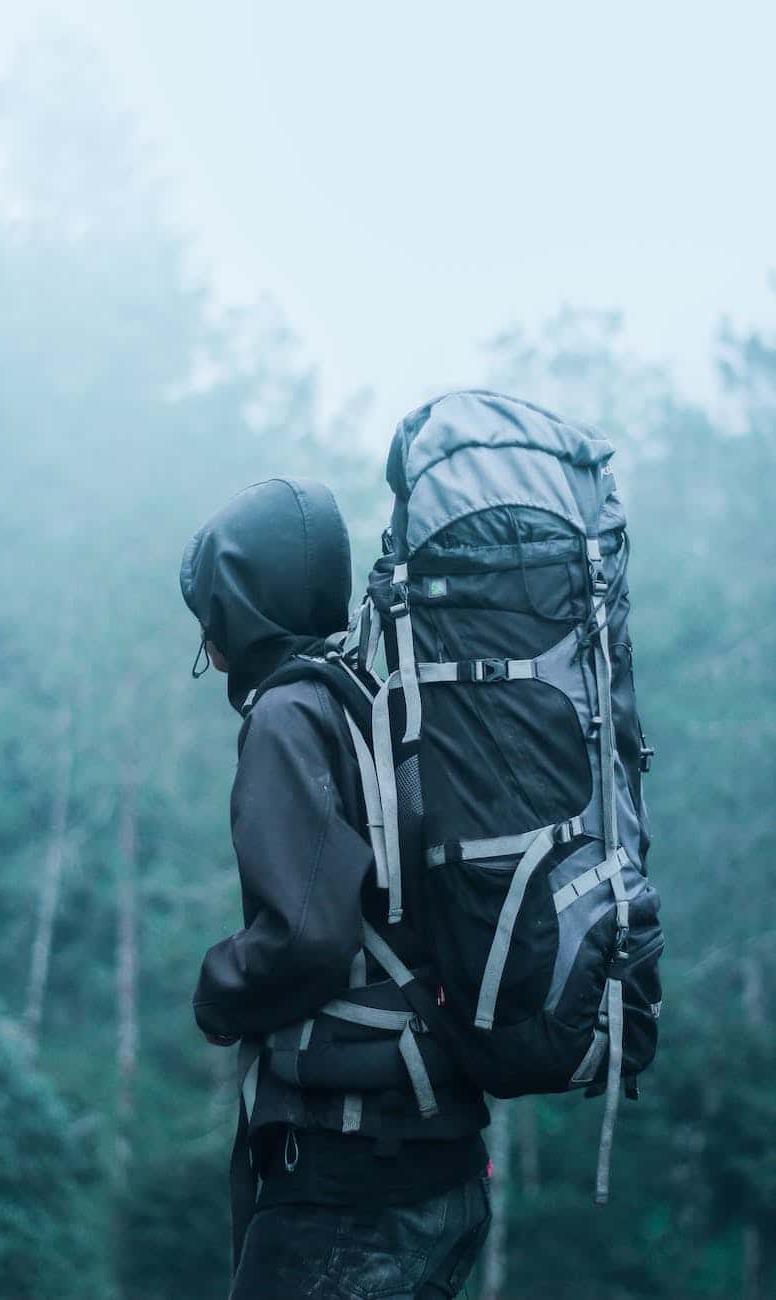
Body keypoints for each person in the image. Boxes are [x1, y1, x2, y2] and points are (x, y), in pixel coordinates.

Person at [180, 476, 491, 1300]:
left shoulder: (287, 717)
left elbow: (306, 938)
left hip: (348, 1188)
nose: (209, 646)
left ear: (241, 607)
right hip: (438, 1166)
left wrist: (216, 993)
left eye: (211, 616)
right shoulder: (374, 701)